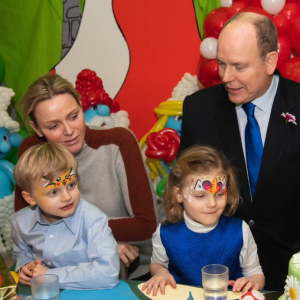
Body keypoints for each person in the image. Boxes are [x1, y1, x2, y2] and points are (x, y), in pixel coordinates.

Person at [179, 12, 300, 291]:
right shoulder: (199, 110)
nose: (226, 77)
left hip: (290, 275)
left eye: (239, 66)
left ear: (270, 61)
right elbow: (185, 187)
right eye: (222, 64)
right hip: (217, 276)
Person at [14, 74, 157, 279]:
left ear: (82, 106)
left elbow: (146, 226)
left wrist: (99, 244)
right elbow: (27, 229)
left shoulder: (118, 142)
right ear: (36, 129)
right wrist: (103, 242)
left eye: (73, 116)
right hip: (52, 270)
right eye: (54, 126)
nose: (69, 131)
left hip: (129, 272)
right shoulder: (31, 152)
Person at [142, 145, 265, 296]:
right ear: (178, 194)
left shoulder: (240, 231)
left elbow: (255, 273)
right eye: (200, 196)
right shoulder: (165, 233)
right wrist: (160, 273)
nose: (212, 203)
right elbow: (157, 264)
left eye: (219, 194)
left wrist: (253, 282)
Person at [12, 143, 119, 289]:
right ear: (30, 198)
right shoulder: (20, 222)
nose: (67, 197)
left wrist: (52, 276)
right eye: (54, 192)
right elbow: (21, 251)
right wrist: (25, 264)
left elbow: (108, 274)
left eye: (71, 185)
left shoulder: (93, 220)